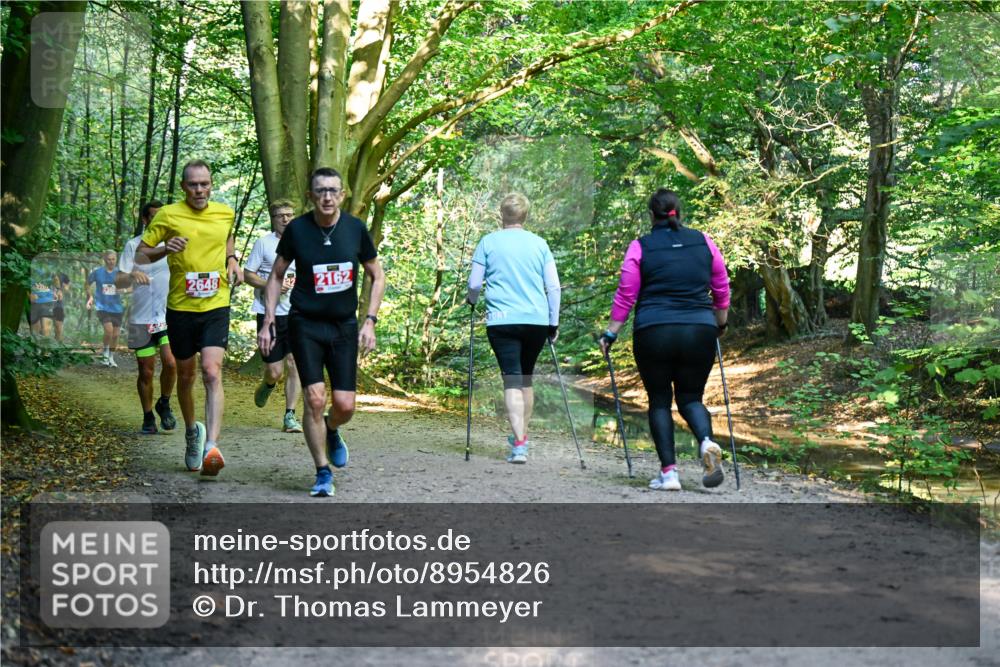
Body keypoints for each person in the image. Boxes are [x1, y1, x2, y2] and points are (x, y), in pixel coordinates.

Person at [258, 167, 385, 497]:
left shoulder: (355, 229)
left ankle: (331, 428)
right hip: (305, 324)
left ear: (342, 195)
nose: (327, 197)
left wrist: (370, 320)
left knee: (345, 406)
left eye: (332, 190)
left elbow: (377, 275)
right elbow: (276, 275)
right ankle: (322, 471)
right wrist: (269, 319)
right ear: (310, 196)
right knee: (314, 398)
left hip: (343, 326)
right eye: (320, 191)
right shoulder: (298, 230)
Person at [599, 189, 730, 491]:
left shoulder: (640, 246)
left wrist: (611, 333)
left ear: (651, 215)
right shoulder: (704, 241)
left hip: (654, 330)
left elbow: (626, 293)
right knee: (691, 398)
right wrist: (720, 323)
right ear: (678, 212)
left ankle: (669, 474)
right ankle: (706, 442)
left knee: (659, 400)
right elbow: (721, 286)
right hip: (699, 329)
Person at [137, 160, 242, 476]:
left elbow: (227, 236)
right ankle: (192, 432)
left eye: (204, 184)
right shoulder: (168, 215)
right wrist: (165, 248)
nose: (199, 190)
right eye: (193, 184)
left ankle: (212, 446)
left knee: (211, 371)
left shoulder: (224, 212)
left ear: (211, 185)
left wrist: (232, 259)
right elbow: (141, 254)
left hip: (216, 304)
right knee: (186, 376)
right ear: (183, 187)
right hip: (181, 308)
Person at [466, 193, 561, 465]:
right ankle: (521, 437)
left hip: (502, 320)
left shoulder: (488, 242)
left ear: (501, 215)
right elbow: (553, 287)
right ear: (525, 215)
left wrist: (472, 301)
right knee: (525, 379)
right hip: (536, 321)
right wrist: (553, 322)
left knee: (512, 379)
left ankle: (519, 444)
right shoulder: (540, 244)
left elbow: (474, 284)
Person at [117, 200, 178, 435]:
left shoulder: (172, 245)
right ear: (145, 220)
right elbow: (118, 281)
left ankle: (164, 402)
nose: (158, 220)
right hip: (140, 319)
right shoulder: (133, 246)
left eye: (162, 216)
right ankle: (148, 416)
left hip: (168, 316)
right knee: (146, 370)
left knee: (171, 362)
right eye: (153, 216)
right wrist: (132, 275)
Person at [243, 199, 303, 433]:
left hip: (297, 312)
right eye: (280, 215)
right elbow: (248, 275)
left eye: (289, 214)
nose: (285, 219)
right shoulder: (263, 243)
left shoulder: (304, 242)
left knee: (295, 363)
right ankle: (268, 384)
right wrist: (271, 283)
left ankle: (290, 415)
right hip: (269, 313)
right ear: (273, 219)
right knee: (275, 371)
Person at [86, 250, 125, 367]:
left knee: (116, 335)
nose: (111, 262)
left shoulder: (120, 273)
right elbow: (87, 284)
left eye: (113, 259)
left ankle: (111, 357)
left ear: (116, 259)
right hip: (102, 306)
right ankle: (105, 354)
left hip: (117, 308)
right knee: (109, 331)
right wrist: (90, 297)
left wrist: (123, 290)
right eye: (109, 259)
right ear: (104, 259)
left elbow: (131, 287)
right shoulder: (97, 272)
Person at [51, 272, 70, 343]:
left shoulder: (63, 274)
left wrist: (62, 289)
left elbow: (67, 288)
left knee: (58, 327)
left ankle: (58, 345)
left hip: (58, 304)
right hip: (46, 303)